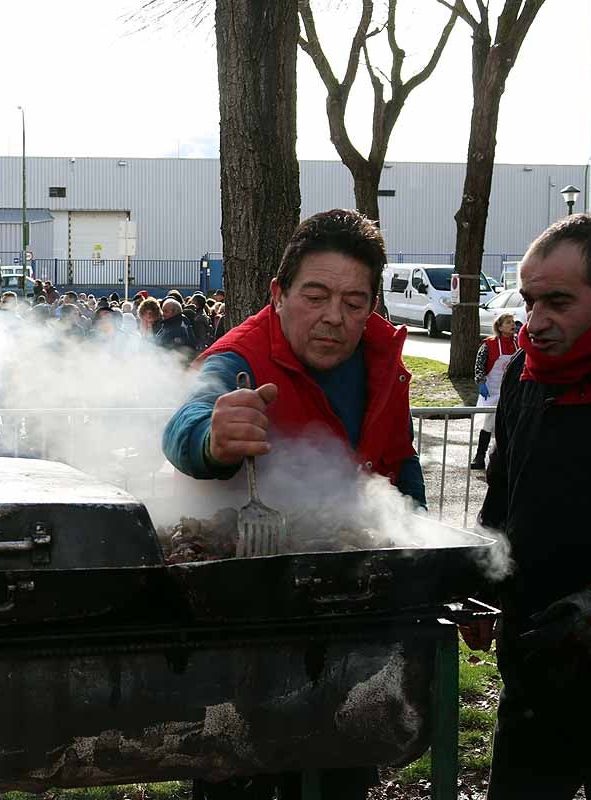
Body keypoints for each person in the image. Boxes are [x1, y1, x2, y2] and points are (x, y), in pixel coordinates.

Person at [163, 210, 425, 800]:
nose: (335, 317)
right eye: (316, 295)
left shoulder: (385, 360)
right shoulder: (240, 356)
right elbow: (188, 419)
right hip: (245, 635)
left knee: (343, 774)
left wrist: (419, 552)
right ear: (278, 294)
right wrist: (211, 438)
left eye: (355, 302)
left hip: (357, 628)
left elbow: (399, 467)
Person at [474, 214, 591, 800]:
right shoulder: (525, 378)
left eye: (558, 301)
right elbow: (503, 491)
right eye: (530, 301)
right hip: (534, 663)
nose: (536, 322)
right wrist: (479, 580)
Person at [470, 311, 519, 470]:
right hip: (492, 390)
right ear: (499, 327)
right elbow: (479, 366)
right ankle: (479, 456)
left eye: (512, 321)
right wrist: (481, 382)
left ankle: (507, 458)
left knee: (511, 425)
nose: (512, 325)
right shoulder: (488, 344)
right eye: (508, 322)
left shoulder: (519, 343)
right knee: (488, 423)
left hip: (512, 392)